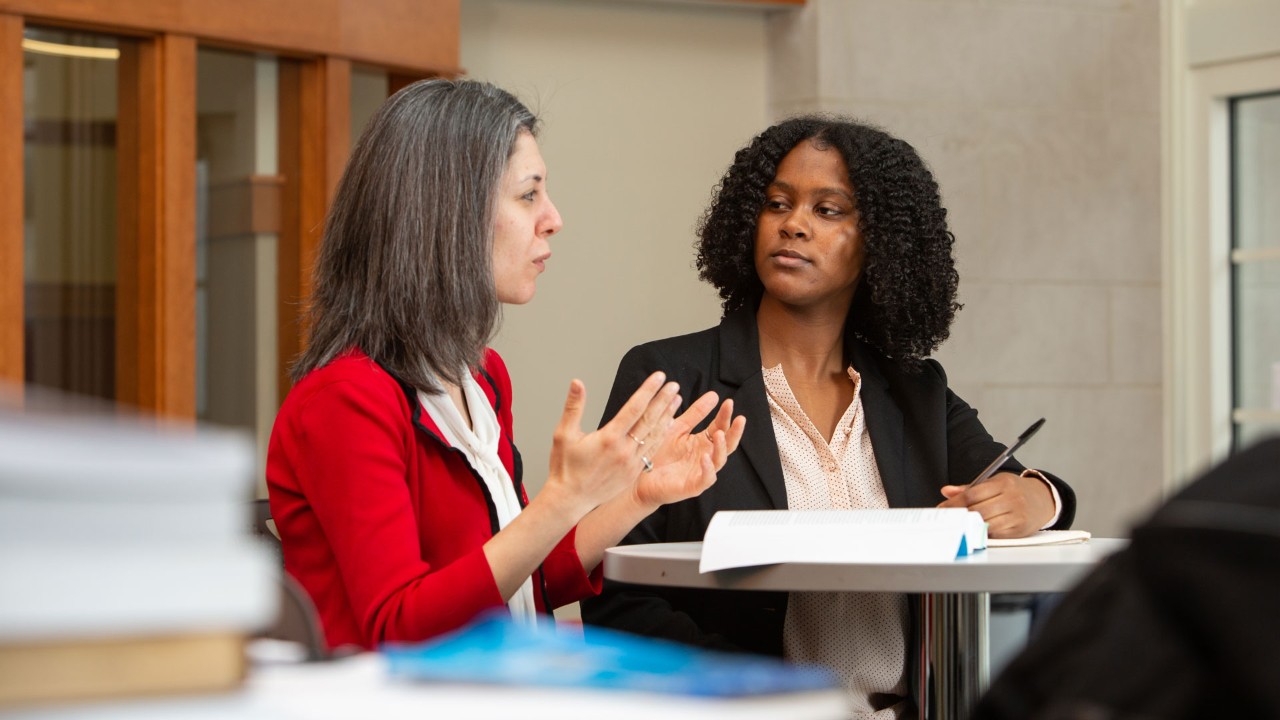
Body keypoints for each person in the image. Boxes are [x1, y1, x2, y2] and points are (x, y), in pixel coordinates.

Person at [581, 116, 1077, 717]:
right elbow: (614, 597)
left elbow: (1028, 489)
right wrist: (767, 700)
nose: (794, 224)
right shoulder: (673, 378)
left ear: (880, 244)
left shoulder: (913, 390)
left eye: (829, 210)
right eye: (777, 203)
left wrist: (1036, 497)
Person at [265, 79, 745, 653]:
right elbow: (400, 628)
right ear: (448, 212)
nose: (553, 219)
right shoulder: (345, 397)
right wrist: (562, 499)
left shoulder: (483, 376)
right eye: (528, 195)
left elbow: (519, 585)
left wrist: (639, 495)